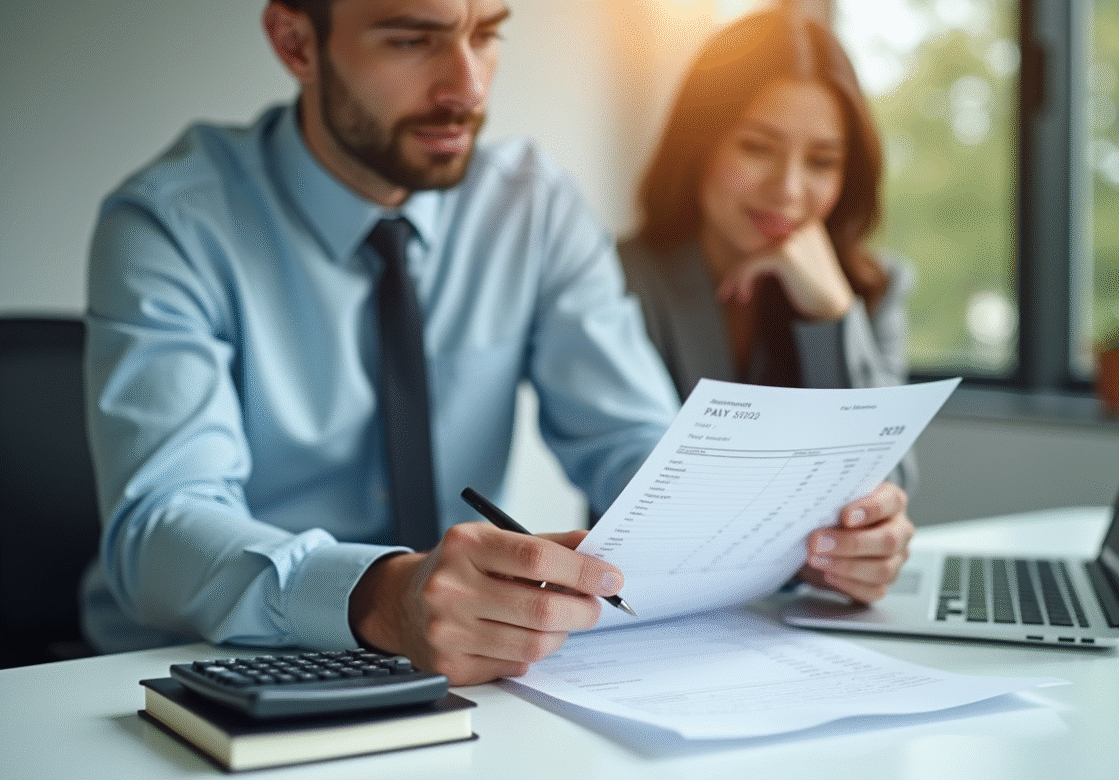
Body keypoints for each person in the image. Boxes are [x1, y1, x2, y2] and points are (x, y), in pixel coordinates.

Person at [82, 0, 913, 687]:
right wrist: (379, 595)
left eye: (487, 33)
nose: (466, 88)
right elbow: (161, 524)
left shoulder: (533, 206)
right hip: (192, 666)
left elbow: (637, 449)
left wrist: (806, 540)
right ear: (296, 41)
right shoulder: (170, 225)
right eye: (413, 39)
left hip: (452, 671)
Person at [621, 9, 917, 507]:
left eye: (822, 162)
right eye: (758, 148)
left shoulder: (877, 285)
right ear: (700, 145)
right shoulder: (621, 279)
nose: (788, 191)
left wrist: (834, 315)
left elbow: (892, 483)